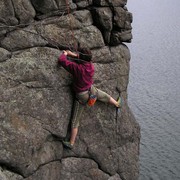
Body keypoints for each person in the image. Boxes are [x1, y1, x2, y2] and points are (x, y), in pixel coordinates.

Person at [58, 47, 122, 149]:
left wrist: (65, 54)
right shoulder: (91, 66)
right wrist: (73, 54)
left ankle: (71, 143)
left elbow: (62, 61)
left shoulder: (77, 69)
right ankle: (117, 104)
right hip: (91, 90)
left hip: (82, 96)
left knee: (75, 120)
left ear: (81, 58)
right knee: (103, 95)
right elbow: (85, 58)